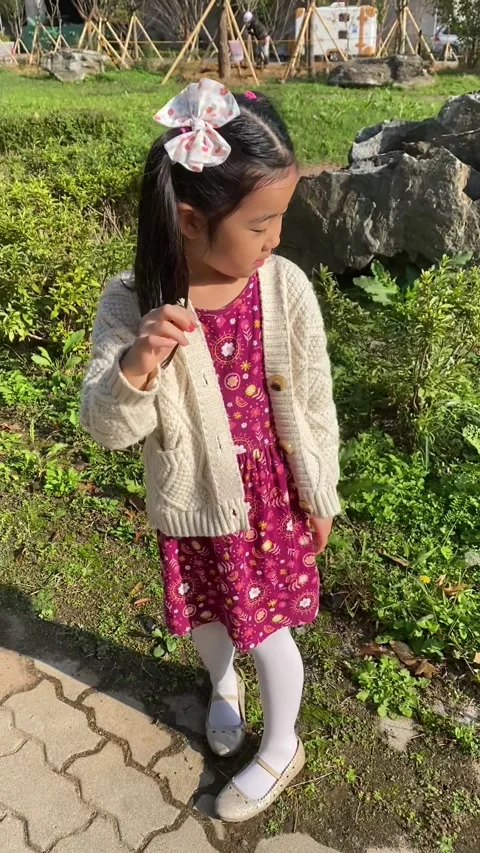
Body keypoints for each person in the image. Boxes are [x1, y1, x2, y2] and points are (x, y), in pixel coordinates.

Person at [80, 79, 340, 822]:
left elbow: (313, 401)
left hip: (271, 503)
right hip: (192, 500)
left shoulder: (283, 287)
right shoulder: (132, 301)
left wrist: (320, 491)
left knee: (272, 634)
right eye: (261, 224)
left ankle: (282, 744)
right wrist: (137, 366)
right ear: (191, 221)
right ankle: (222, 685)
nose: (276, 239)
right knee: (208, 618)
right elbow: (106, 426)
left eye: (280, 218)